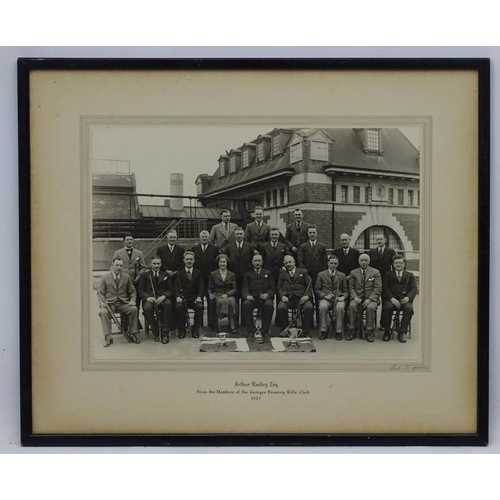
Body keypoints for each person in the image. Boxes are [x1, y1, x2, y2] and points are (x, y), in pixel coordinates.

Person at [98, 257, 140, 347]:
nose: (119, 267)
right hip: (110, 303)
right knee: (103, 312)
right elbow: (100, 293)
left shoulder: (126, 277)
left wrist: (132, 300)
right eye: (117, 265)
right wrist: (102, 303)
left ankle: (132, 333)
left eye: (121, 265)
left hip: (123, 303)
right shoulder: (105, 278)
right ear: (112, 265)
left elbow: (132, 291)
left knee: (134, 309)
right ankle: (108, 336)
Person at [381, 255, 418, 343]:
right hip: (392, 300)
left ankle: (401, 332)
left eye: (400, 263)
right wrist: (392, 299)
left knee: (409, 309)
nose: (398, 264)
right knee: (387, 308)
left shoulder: (410, 275)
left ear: (404, 264)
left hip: (404, 300)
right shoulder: (387, 274)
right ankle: (387, 331)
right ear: (393, 265)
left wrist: (408, 298)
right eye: (396, 263)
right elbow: (385, 288)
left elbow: (414, 288)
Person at [138, 255, 174, 344]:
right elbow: (140, 289)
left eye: (158, 263)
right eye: (154, 263)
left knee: (168, 305)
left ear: (161, 264)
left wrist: (164, 296)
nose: (156, 265)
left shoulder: (166, 275)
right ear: (150, 264)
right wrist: (147, 297)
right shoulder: (144, 275)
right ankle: (156, 331)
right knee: (147, 309)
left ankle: (165, 333)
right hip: (150, 299)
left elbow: (171, 289)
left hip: (162, 298)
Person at [276, 255, 314, 337]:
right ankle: (285, 329)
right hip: (288, 299)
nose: (288, 264)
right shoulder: (282, 275)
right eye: (286, 263)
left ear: (294, 262)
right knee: (281, 307)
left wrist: (306, 297)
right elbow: (279, 287)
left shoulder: (303, 272)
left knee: (309, 308)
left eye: (290, 262)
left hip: (301, 299)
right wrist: (282, 296)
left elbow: (309, 286)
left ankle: (306, 331)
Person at [348, 253, 382, 342]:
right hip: (357, 297)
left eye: (366, 260)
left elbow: (378, 288)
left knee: (370, 308)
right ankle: (352, 329)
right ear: (358, 261)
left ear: (369, 261)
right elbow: (351, 287)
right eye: (362, 260)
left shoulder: (375, 272)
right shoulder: (353, 272)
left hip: (371, 298)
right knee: (352, 306)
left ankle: (369, 331)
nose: (364, 262)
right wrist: (355, 297)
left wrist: (370, 299)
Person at [315, 255, 349, 340]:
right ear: (328, 263)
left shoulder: (342, 275)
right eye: (331, 263)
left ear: (338, 264)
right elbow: (317, 289)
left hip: (338, 298)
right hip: (326, 298)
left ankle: (338, 331)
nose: (333, 265)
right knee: (323, 306)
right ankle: (323, 330)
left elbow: (346, 291)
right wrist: (325, 296)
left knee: (340, 307)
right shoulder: (321, 274)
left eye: (335, 263)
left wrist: (343, 297)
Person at [241, 254, 275, 338]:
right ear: (252, 262)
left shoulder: (268, 273)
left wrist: (267, 294)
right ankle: (250, 329)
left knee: (269, 305)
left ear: (262, 262)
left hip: (265, 298)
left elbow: (273, 287)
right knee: (246, 304)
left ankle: (265, 330)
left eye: (259, 261)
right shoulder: (248, 274)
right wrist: (247, 295)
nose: (257, 263)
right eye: (255, 261)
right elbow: (244, 288)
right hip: (253, 298)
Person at [191, 230, 220, 330]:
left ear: (209, 238)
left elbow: (217, 264)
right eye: (202, 237)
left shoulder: (215, 249)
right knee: (199, 301)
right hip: (198, 279)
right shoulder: (194, 249)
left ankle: (212, 323)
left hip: (210, 279)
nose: (204, 238)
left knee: (211, 301)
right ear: (199, 238)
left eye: (206, 237)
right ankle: (199, 324)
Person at [174, 252, 204, 339]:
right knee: (178, 307)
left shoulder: (198, 273)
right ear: (184, 260)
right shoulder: (179, 273)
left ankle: (195, 328)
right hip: (183, 299)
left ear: (194, 260)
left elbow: (201, 286)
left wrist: (199, 297)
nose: (189, 261)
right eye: (187, 259)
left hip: (194, 299)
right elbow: (176, 286)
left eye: (191, 259)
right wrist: (178, 297)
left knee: (200, 306)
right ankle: (182, 329)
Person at [222, 227, 257, 297]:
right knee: (235, 295)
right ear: (234, 235)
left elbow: (252, 260)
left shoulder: (250, 247)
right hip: (234, 274)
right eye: (237, 234)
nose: (239, 236)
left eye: (241, 234)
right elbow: (226, 260)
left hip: (246, 273)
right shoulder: (229, 247)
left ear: (244, 235)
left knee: (245, 294)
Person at [209, 254, 238, 333]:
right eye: (220, 262)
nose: (222, 264)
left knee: (232, 301)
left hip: (229, 294)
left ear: (227, 263)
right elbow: (209, 287)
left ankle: (231, 325)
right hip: (218, 294)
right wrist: (210, 294)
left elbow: (234, 288)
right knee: (222, 302)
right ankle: (218, 323)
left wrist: (228, 294)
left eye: (224, 262)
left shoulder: (231, 274)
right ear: (218, 263)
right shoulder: (213, 274)